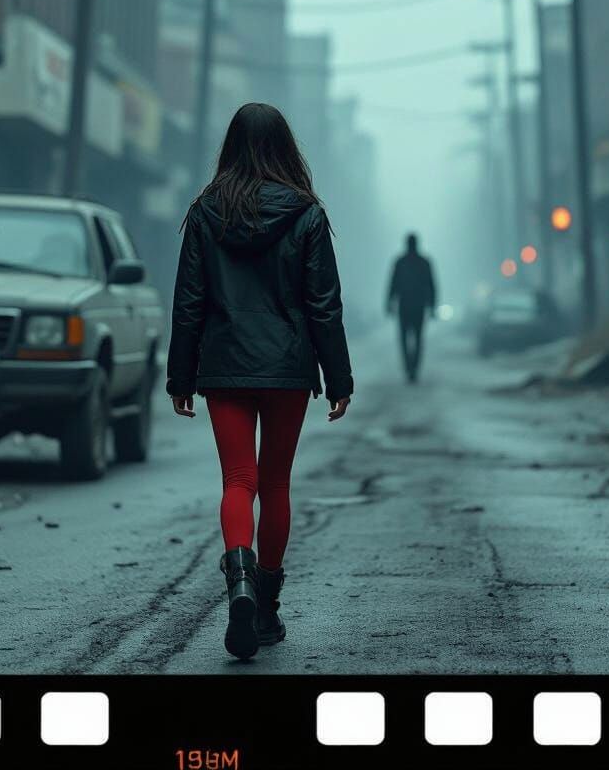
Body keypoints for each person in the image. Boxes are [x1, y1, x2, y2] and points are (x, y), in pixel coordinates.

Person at [167, 102, 353, 661]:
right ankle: (266, 608)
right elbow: (324, 305)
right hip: (287, 371)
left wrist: (180, 375)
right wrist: (338, 376)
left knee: (238, 481)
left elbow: (188, 303)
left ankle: (239, 582)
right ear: (284, 148)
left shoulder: (204, 213)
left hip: (224, 366)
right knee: (275, 485)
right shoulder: (307, 215)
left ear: (230, 147)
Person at [386, 233, 438, 382]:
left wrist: (389, 303)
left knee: (405, 339)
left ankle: (410, 368)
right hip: (418, 306)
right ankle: (413, 368)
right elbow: (431, 285)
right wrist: (432, 306)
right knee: (418, 339)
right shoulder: (424, 262)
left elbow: (392, 284)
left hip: (405, 306)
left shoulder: (400, 262)